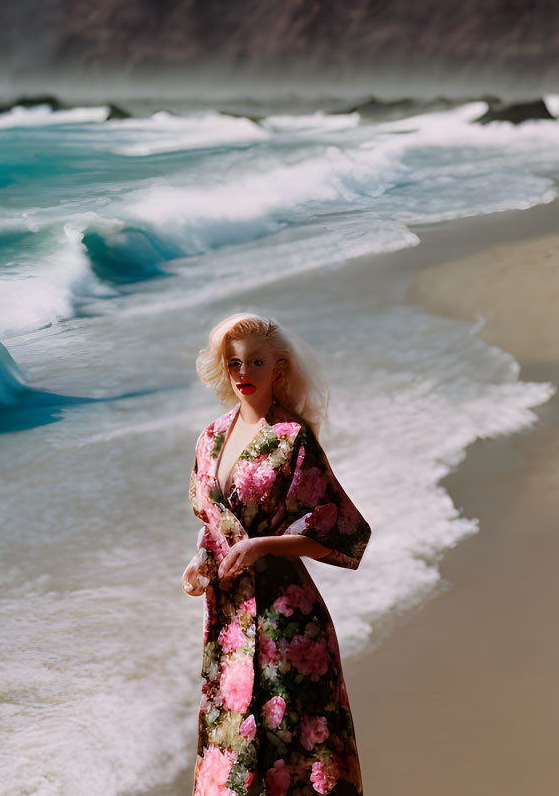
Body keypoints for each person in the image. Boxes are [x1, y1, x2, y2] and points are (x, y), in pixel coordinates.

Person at [182, 312, 371, 796]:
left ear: (278, 370)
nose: (242, 373)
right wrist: (199, 560)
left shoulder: (292, 438)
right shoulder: (210, 437)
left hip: (288, 623)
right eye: (233, 363)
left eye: (255, 362)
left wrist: (262, 544)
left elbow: (340, 531)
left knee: (293, 752)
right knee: (232, 753)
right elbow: (216, 524)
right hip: (229, 618)